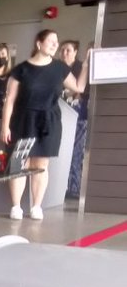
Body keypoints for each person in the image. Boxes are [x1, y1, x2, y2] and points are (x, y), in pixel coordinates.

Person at [1, 29, 89, 221]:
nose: (55, 44)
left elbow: (79, 87)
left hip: (49, 121)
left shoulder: (60, 68)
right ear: (39, 44)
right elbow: (10, 100)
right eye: (51, 41)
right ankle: (16, 206)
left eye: (56, 41)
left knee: (41, 165)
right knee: (19, 163)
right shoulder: (21, 69)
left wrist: (86, 66)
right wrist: (5, 126)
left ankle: (36, 206)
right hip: (22, 120)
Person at [59, 40, 88, 197]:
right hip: (59, 116)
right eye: (62, 50)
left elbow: (81, 90)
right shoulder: (57, 68)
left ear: (76, 52)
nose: (64, 53)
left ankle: (74, 189)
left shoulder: (81, 68)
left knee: (76, 154)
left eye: (68, 50)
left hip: (79, 117)